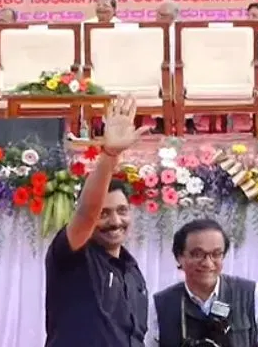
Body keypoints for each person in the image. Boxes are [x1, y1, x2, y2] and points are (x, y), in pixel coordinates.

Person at [45, 96, 152, 347]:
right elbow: (86, 214)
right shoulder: (73, 255)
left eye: (122, 211)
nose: (115, 221)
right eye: (104, 214)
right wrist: (110, 155)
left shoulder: (132, 270)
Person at [146, 219, 258, 347]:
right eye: (198, 254)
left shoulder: (250, 294)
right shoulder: (162, 304)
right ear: (179, 257)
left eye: (216, 254)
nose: (208, 263)